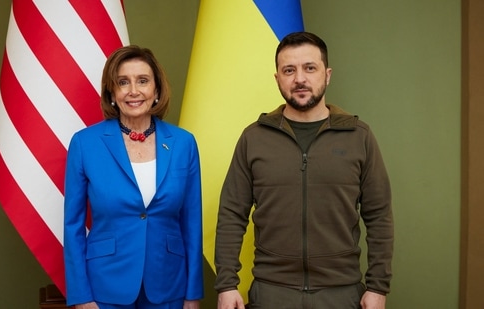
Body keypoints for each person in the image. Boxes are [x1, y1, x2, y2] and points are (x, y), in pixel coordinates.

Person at [214, 31, 393, 309]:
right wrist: (227, 284)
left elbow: (379, 215)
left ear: (327, 74)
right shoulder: (254, 138)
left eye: (310, 68)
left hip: (341, 293)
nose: (300, 78)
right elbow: (231, 213)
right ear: (277, 79)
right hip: (271, 292)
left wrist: (378, 287)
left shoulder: (359, 136)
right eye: (289, 70)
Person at [64, 45, 204, 309]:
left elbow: (192, 223)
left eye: (143, 81)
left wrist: (192, 294)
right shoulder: (85, 143)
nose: (133, 91)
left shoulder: (184, 143)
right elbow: (73, 227)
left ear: (157, 90)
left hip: (169, 285)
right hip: (105, 288)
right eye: (123, 82)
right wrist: (81, 297)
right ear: (112, 93)